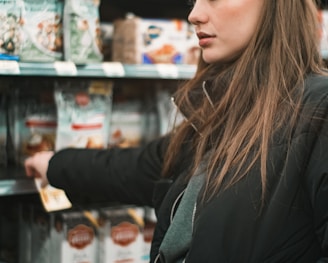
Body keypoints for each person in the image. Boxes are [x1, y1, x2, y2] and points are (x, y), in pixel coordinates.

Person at [24, 0, 328, 262]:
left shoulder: (319, 111)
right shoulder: (219, 115)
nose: (194, 14)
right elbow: (134, 169)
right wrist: (53, 164)